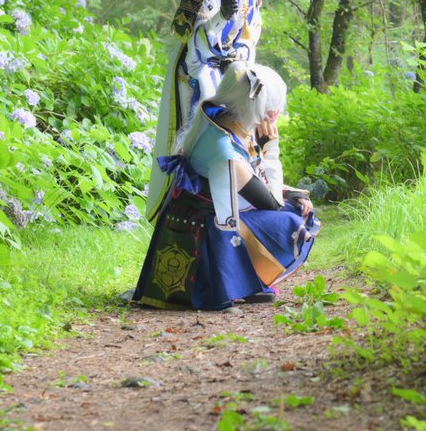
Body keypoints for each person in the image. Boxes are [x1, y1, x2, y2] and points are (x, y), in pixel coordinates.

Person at [132, 62, 318, 311]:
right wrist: (271, 148)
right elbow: (270, 203)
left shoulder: (222, 119)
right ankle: (238, 283)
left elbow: (255, 181)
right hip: (206, 235)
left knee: (296, 204)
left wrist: (292, 193)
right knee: (293, 220)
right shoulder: (224, 151)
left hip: (207, 218)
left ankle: (247, 281)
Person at [145, 0, 293, 222]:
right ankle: (185, 216)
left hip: (232, 76)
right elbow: (184, 33)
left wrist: (240, 64)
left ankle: (237, 209)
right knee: (197, 143)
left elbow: (248, 37)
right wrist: (220, 17)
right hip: (197, 74)